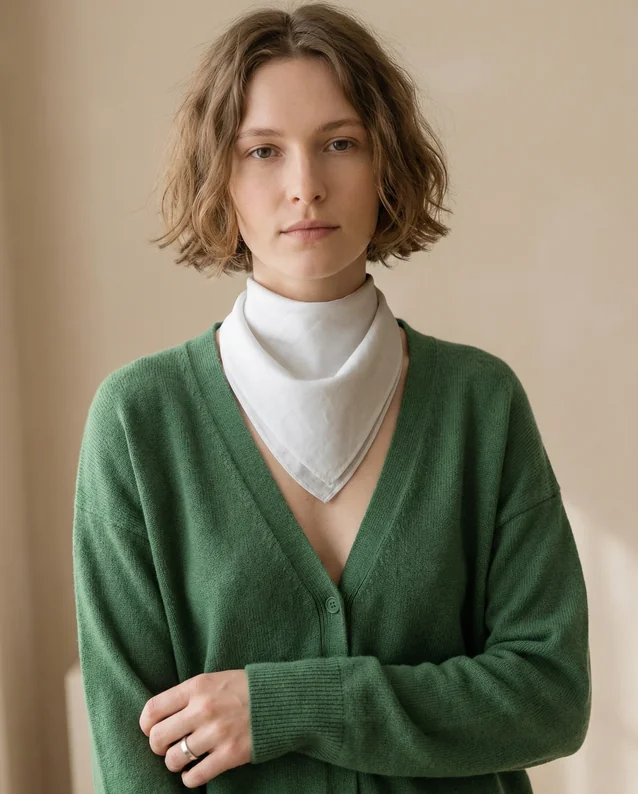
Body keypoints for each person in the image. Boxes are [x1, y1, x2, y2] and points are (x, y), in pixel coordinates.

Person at [72, 3, 591, 793]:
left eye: (339, 143)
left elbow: (551, 700)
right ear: (221, 178)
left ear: (387, 165)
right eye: (262, 151)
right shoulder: (139, 423)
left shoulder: (479, 404)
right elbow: (130, 756)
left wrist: (284, 704)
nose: (305, 187)